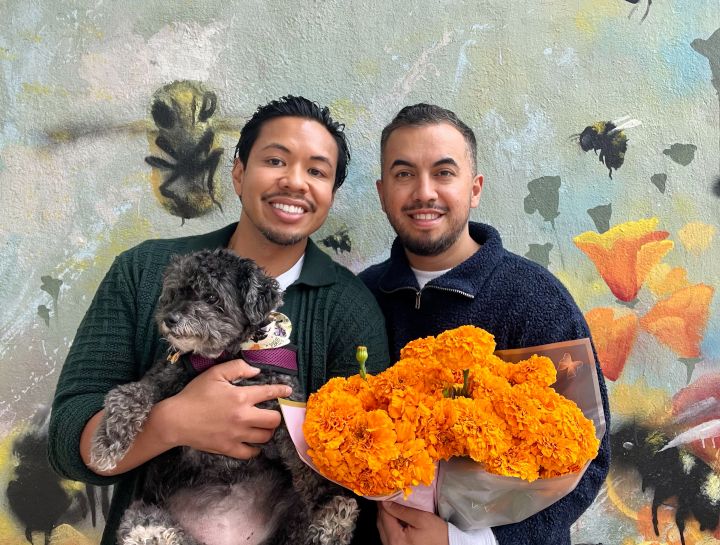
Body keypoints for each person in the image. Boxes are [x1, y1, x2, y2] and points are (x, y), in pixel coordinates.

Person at [48, 95, 390, 545]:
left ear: (330, 194)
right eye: (275, 160)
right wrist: (173, 422)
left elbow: (367, 469)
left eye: (317, 171)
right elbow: (68, 438)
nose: (294, 182)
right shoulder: (143, 271)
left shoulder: (350, 307)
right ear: (238, 173)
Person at [360, 103, 611, 545]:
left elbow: (590, 459)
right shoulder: (360, 299)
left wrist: (468, 542)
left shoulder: (535, 299)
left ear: (474, 189)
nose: (424, 192)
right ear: (382, 193)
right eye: (404, 174)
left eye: (443, 173)